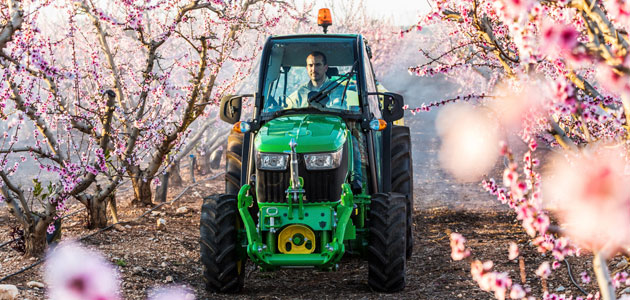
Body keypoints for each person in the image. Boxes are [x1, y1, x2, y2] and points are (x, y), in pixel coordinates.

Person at [288, 51, 363, 194]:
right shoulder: (300, 92)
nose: (313, 69)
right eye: (310, 65)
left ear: (326, 67)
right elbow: (290, 111)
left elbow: (341, 111)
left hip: (330, 132)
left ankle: (355, 178)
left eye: (317, 64)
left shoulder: (338, 89)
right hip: (305, 134)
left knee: (351, 141)